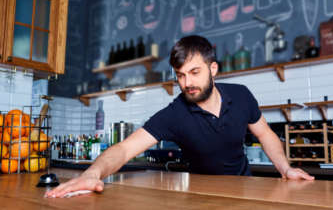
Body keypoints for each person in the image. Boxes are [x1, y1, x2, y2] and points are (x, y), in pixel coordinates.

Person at [46, 35, 314, 198]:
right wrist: (93, 173)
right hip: (199, 195)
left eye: (195, 72)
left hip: (244, 188)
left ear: (213, 69)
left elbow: (265, 133)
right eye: (180, 75)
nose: (187, 83)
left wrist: (285, 169)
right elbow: (125, 149)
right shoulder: (174, 114)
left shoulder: (242, 95)